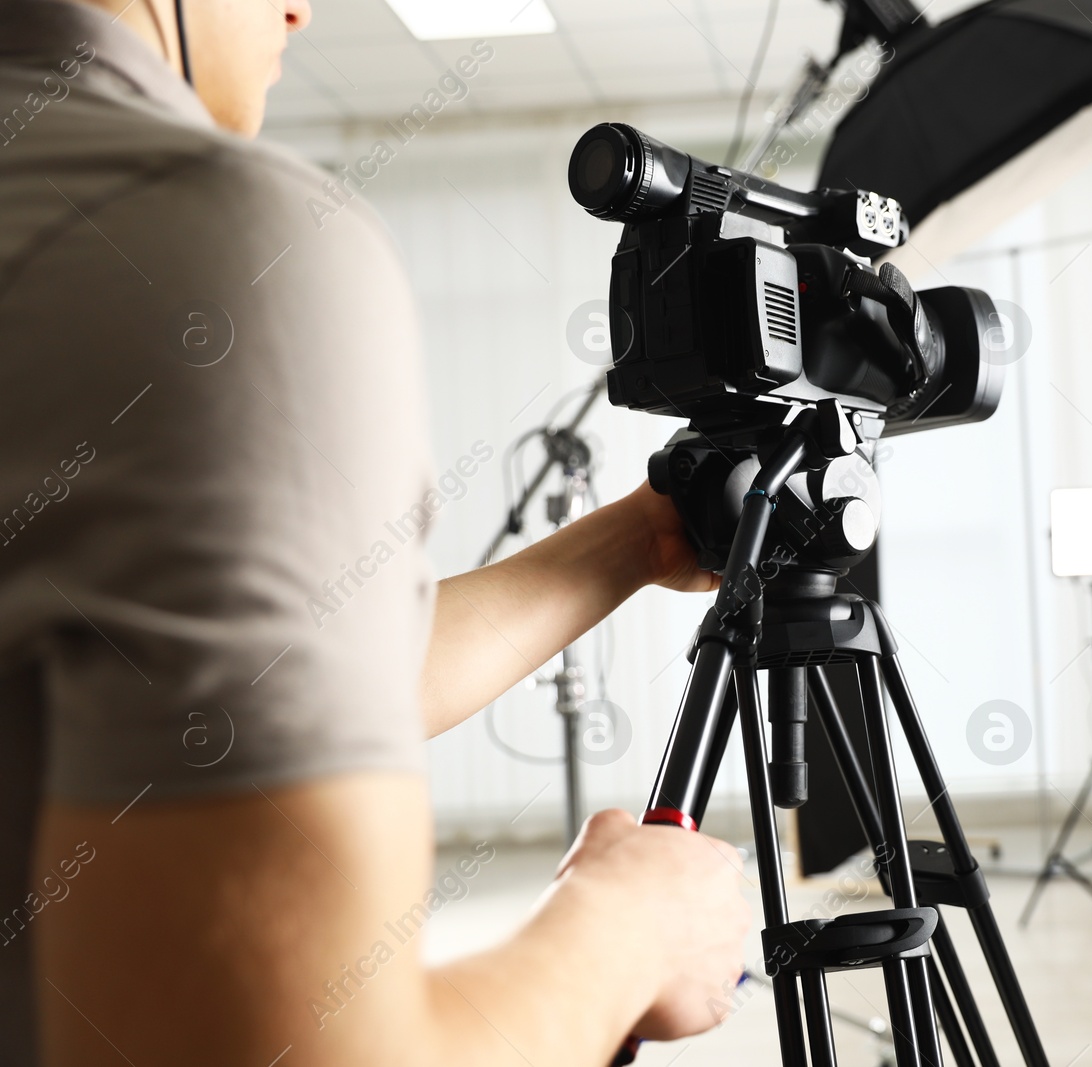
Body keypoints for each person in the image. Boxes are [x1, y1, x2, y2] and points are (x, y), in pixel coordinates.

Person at [0, 0, 752, 1063]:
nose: (303, 10)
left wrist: (640, 538)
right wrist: (631, 928)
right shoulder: (209, 238)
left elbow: (244, 696)